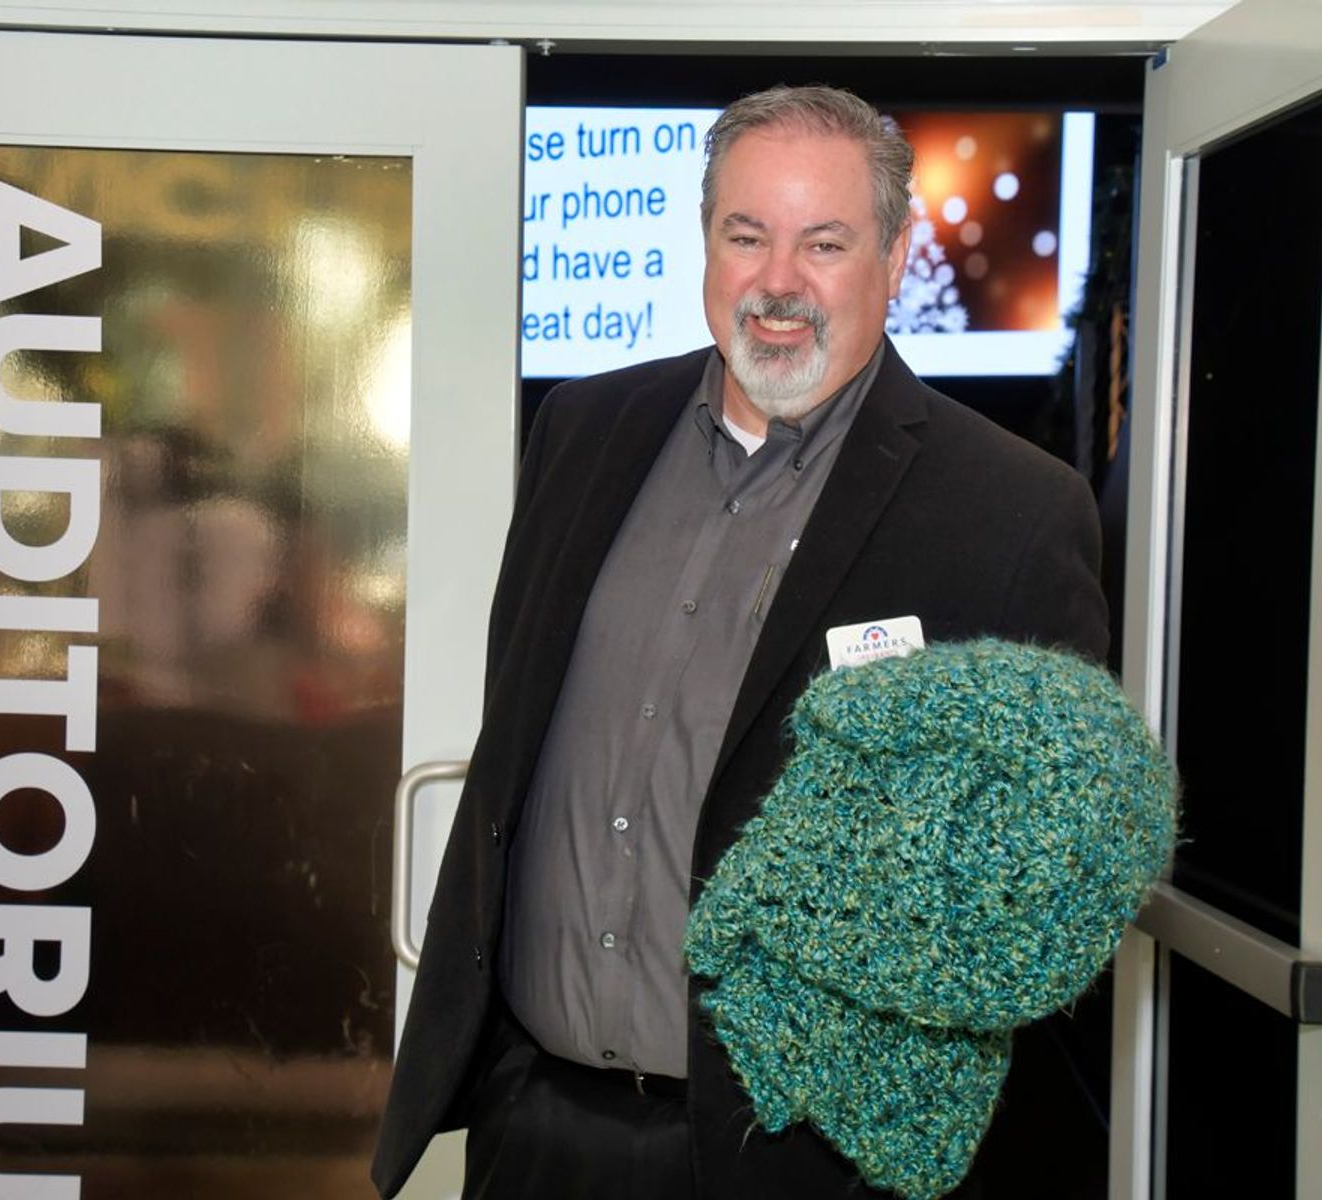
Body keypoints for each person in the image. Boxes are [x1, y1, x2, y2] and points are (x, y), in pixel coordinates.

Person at [372, 84, 1110, 1200]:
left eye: (826, 244)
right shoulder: (583, 431)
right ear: (705, 241)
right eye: (746, 235)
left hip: (800, 1160)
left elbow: (1049, 869)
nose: (778, 283)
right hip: (535, 1125)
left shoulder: (1009, 512)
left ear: (894, 257)